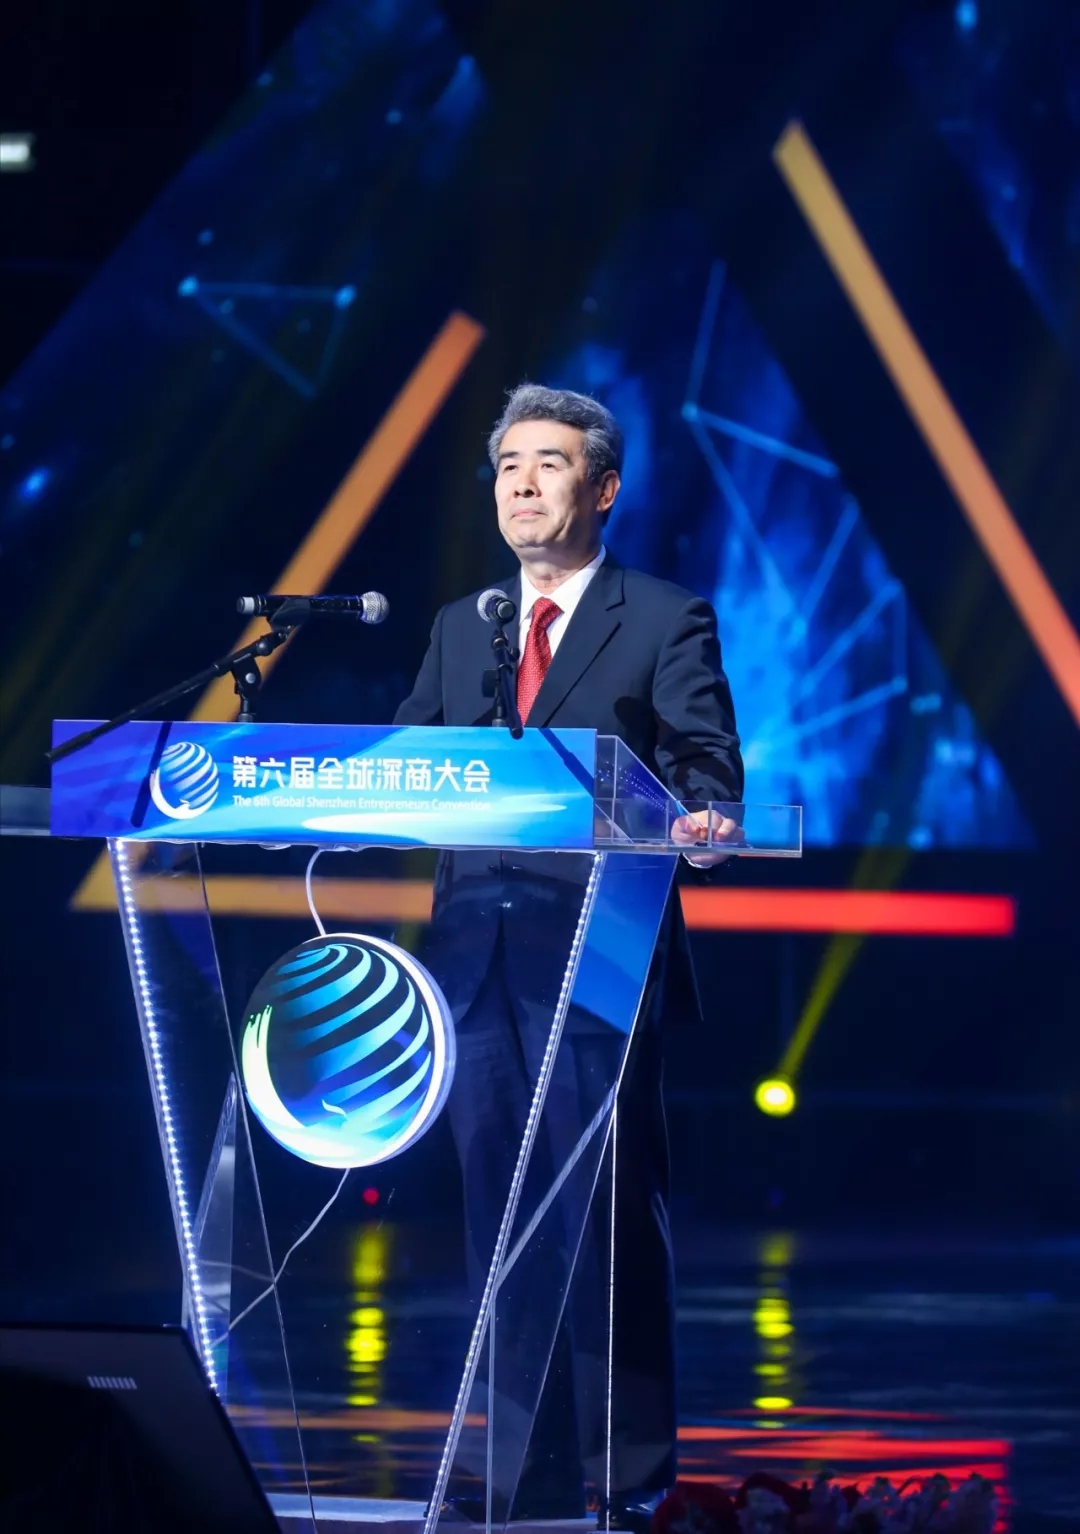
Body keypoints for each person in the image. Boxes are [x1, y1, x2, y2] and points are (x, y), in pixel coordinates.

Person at [394, 384, 743, 1525]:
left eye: (548, 464)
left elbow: (703, 763)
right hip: (473, 961)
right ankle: (521, 1472)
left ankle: (630, 1477)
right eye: (508, 467)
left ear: (603, 489)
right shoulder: (465, 625)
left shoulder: (664, 616)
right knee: (498, 1222)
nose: (523, 485)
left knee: (607, 1217)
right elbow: (406, 765)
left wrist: (704, 818)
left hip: (602, 953)